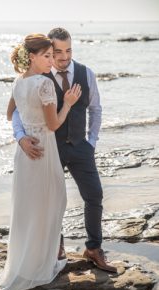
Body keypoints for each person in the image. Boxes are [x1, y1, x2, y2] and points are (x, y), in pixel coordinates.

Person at [12, 28, 117, 273]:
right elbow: (18, 110)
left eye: (68, 50)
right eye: (57, 52)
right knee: (51, 201)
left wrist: (91, 141)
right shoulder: (40, 75)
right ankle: (55, 248)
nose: (63, 57)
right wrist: (20, 137)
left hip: (81, 147)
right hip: (50, 149)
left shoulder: (86, 74)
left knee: (95, 195)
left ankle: (93, 248)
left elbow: (96, 109)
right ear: (48, 51)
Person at [0, 33, 82, 290]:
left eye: (52, 55)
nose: (52, 60)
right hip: (43, 151)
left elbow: (9, 113)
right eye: (47, 56)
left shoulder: (18, 82)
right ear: (32, 57)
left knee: (28, 209)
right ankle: (41, 266)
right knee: (53, 202)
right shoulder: (44, 84)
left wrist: (23, 136)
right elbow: (54, 124)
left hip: (25, 155)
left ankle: (24, 265)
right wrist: (67, 103)